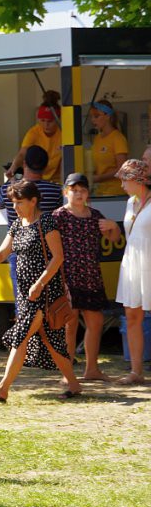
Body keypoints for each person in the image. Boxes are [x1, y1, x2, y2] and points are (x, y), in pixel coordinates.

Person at [0, 180, 82, 402]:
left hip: (44, 294)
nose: (15, 207)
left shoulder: (46, 222)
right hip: (26, 293)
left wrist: (40, 283)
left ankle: (3, 388)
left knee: (22, 336)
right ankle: (73, 384)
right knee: (50, 342)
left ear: (33, 201)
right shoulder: (17, 225)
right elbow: (2, 254)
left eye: (19, 202)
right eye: (13, 203)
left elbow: (58, 257)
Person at [52, 173, 120, 380]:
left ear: (88, 194)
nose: (79, 194)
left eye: (82, 190)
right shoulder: (58, 217)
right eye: (74, 190)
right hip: (67, 278)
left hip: (91, 277)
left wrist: (114, 227)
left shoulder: (96, 215)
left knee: (96, 323)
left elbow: (114, 238)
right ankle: (67, 372)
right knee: (69, 325)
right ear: (66, 192)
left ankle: (92, 369)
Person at [0, 146, 64, 293]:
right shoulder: (56, 190)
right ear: (45, 167)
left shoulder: (10, 188)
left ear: (24, 164)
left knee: (23, 302)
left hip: (17, 254)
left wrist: (10, 178)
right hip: (48, 254)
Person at [114, 159, 151, 384]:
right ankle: (136, 372)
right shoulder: (130, 203)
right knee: (132, 315)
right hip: (132, 262)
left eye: (124, 180)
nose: (122, 185)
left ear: (137, 180)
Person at [5, 90, 63, 182]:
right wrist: (13, 167)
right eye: (42, 120)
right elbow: (22, 153)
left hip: (57, 180)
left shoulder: (63, 134)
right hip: (36, 178)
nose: (46, 125)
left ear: (58, 120)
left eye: (50, 121)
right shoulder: (34, 132)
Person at [90, 99, 128, 197]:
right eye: (92, 117)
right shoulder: (97, 139)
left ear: (107, 116)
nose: (93, 120)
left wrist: (99, 178)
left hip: (116, 193)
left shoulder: (117, 138)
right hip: (100, 192)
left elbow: (122, 169)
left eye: (96, 116)